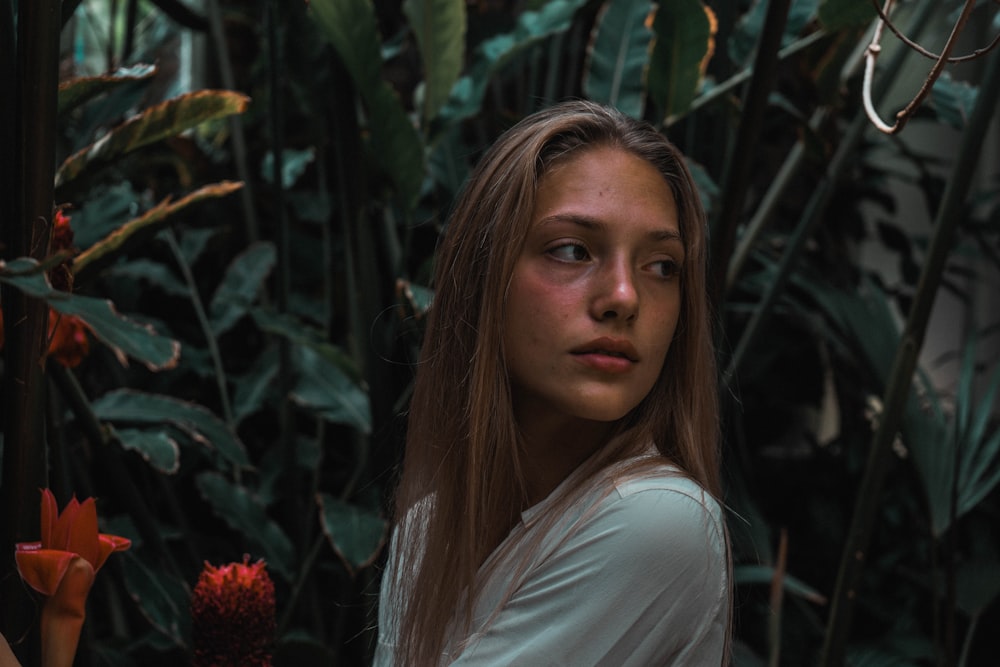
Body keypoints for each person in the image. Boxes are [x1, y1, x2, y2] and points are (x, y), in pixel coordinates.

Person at [374, 100, 730, 666]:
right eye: (572, 250)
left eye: (662, 265)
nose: (623, 297)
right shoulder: (429, 528)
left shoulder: (658, 519)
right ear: (484, 280)